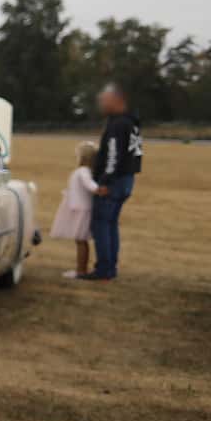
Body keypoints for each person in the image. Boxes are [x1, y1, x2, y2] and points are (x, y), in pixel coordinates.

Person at [85, 82, 143, 281]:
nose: (101, 104)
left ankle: (104, 269)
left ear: (117, 100)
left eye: (104, 100)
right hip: (127, 179)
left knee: (101, 224)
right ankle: (110, 267)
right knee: (110, 224)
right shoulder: (132, 122)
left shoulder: (117, 124)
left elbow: (113, 154)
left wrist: (105, 181)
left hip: (114, 181)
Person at [50, 140, 99, 278]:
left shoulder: (82, 171)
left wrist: (98, 190)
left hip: (81, 210)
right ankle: (81, 269)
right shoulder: (86, 171)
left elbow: (89, 184)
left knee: (81, 240)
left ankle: (81, 270)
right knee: (81, 240)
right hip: (81, 208)